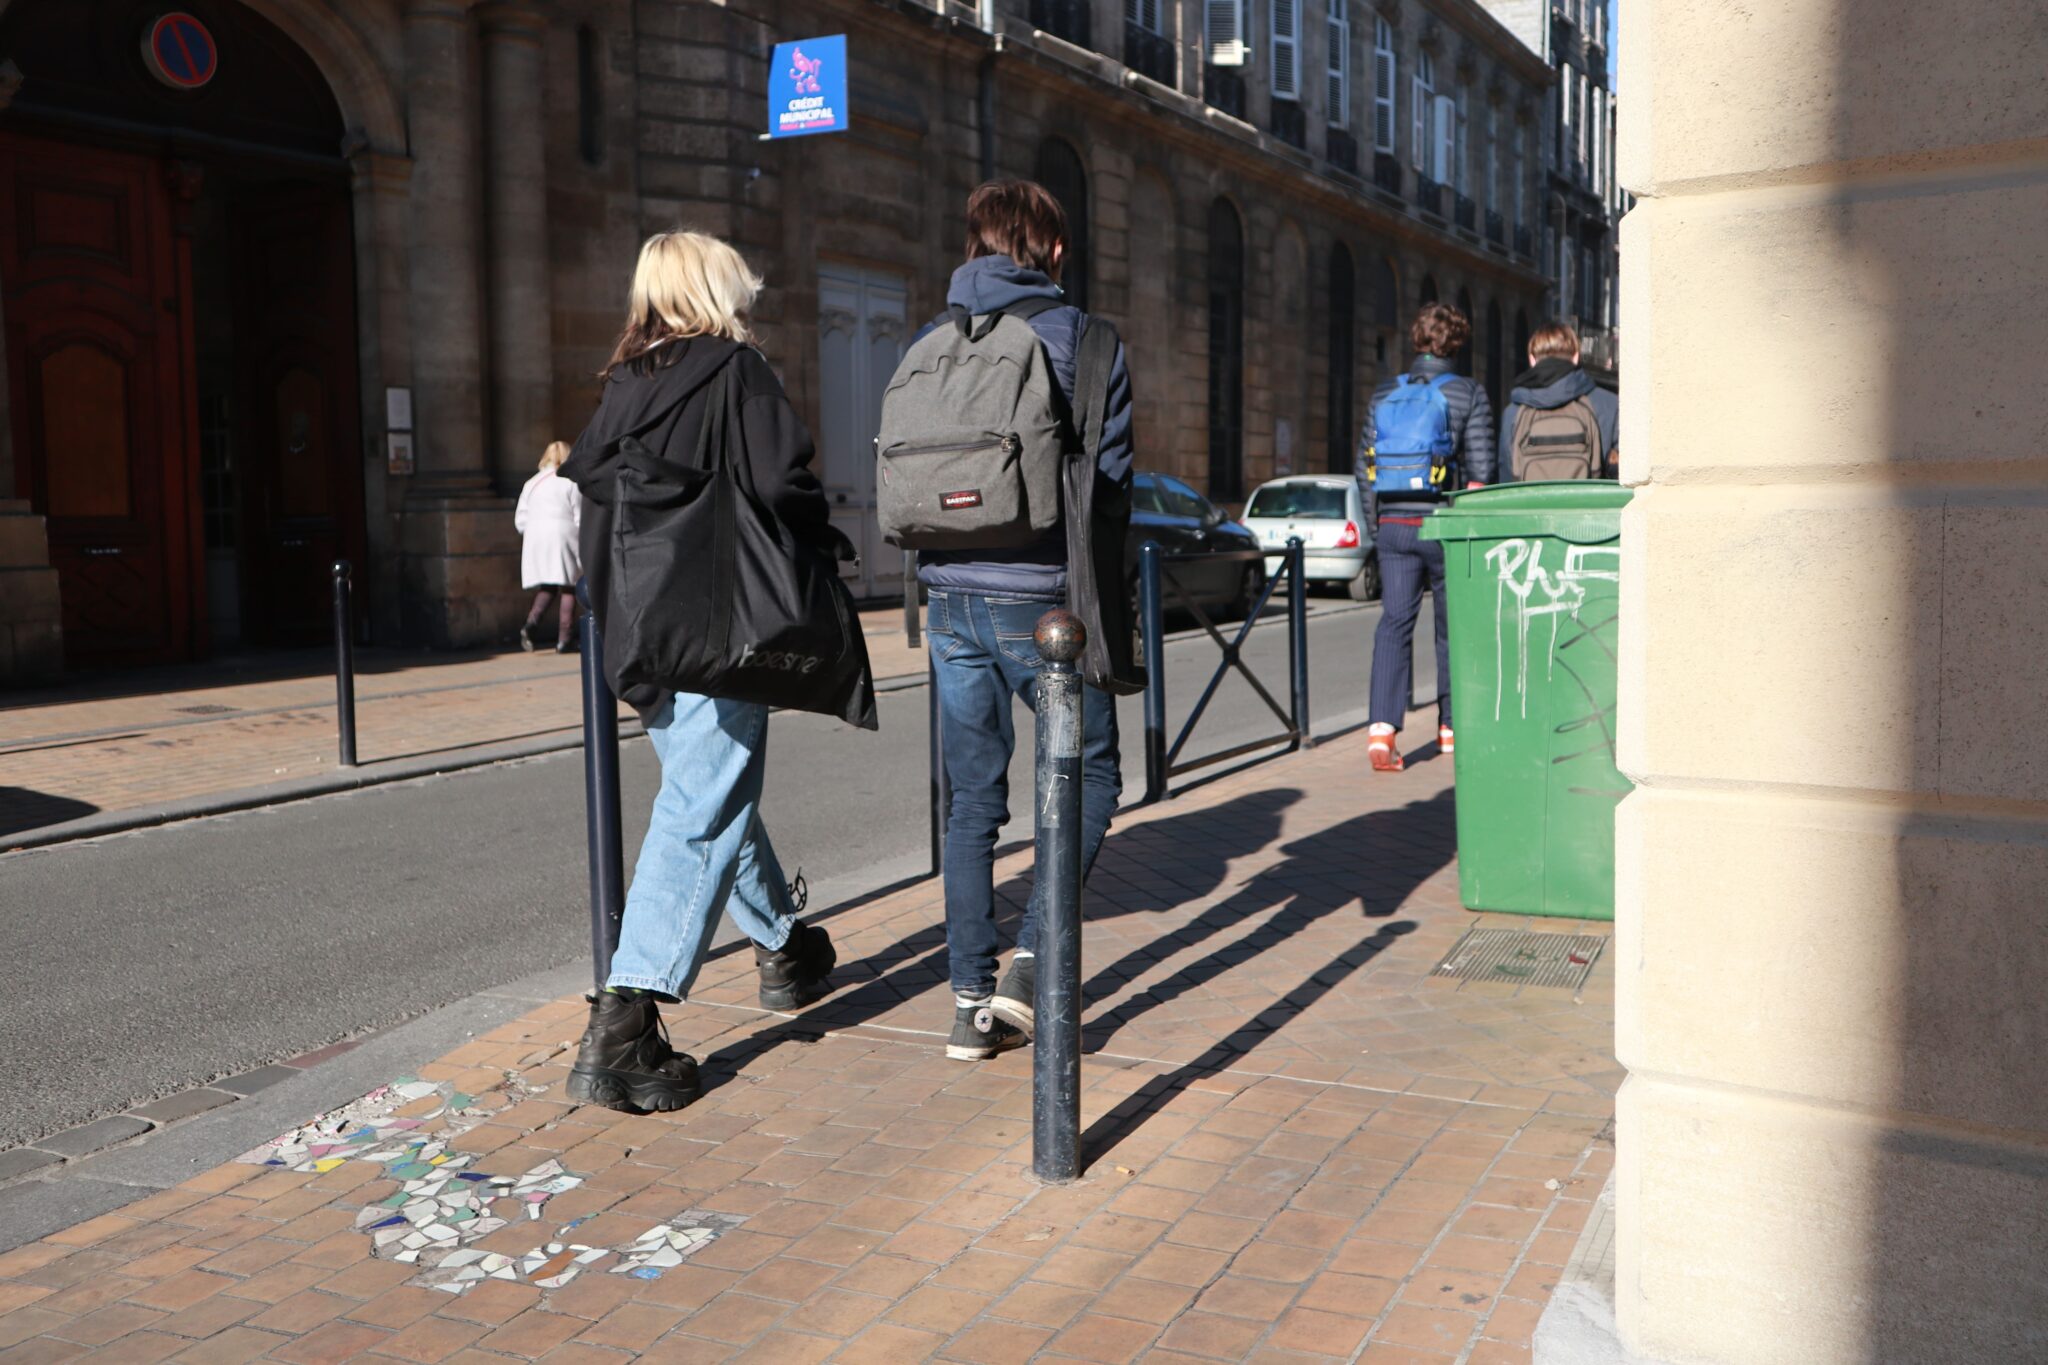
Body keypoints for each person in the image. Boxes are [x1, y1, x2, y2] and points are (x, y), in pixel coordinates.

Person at [556, 231, 840, 1113]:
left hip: (640, 628)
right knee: (703, 802)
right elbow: (784, 484)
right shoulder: (735, 372)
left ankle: (786, 947)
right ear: (718, 290)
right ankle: (627, 1017)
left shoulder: (621, 389)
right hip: (724, 626)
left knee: (704, 787)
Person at [912, 180, 1134, 1061]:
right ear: (1051, 250)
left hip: (950, 601)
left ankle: (967, 1003)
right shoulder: (1086, 340)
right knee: (1093, 775)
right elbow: (1109, 489)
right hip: (1045, 605)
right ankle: (1033, 959)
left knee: (972, 802)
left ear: (973, 247)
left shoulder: (932, 340)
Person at [1357, 301, 1495, 772]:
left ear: (1417, 340)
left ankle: (1382, 730)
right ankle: (1449, 727)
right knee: (1450, 628)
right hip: (1444, 525)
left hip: (1394, 523)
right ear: (1456, 343)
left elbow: (1364, 468)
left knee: (1393, 623)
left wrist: (1378, 529)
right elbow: (1480, 475)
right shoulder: (1468, 393)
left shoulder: (1383, 394)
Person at [1498, 320, 1620, 481]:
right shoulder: (1608, 404)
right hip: (1589, 504)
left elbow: (1507, 472)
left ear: (1532, 359)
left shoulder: (1514, 410)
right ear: (1576, 356)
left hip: (1530, 504)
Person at [513, 440, 582, 652]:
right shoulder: (570, 480)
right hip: (563, 534)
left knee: (548, 585)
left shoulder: (532, 482)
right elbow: (580, 514)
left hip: (536, 536)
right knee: (570, 586)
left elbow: (520, 520)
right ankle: (565, 638)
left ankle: (531, 625)